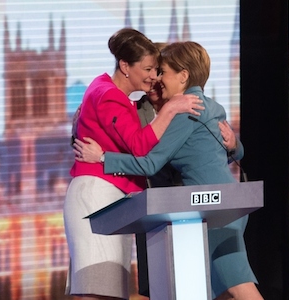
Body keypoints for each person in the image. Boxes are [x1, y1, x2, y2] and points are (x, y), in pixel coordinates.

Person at [74, 41, 262, 300]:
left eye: (162, 71)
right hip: (209, 206)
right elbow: (218, 150)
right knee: (218, 284)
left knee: (235, 282)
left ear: (183, 75)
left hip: (209, 207)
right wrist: (235, 147)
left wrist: (104, 158)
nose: (157, 78)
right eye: (154, 71)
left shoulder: (185, 111)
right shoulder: (207, 104)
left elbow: (150, 162)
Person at [64, 28, 204, 300]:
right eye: (149, 69)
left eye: (157, 70)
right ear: (125, 66)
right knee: (98, 290)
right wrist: (172, 108)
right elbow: (140, 146)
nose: (153, 76)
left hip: (112, 201)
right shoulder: (109, 95)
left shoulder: (108, 91)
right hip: (97, 200)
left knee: (105, 290)